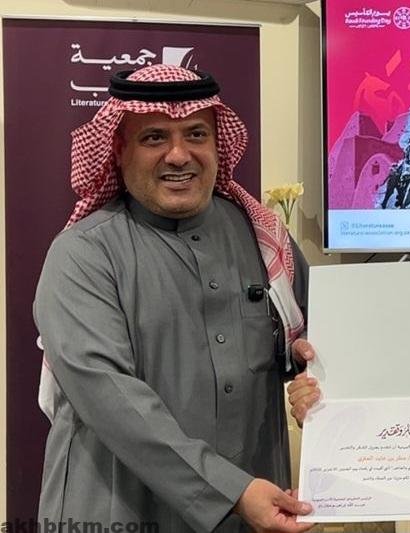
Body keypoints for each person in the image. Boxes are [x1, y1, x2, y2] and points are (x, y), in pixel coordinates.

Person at [34, 65, 318, 532]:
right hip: (116, 513)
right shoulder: (82, 255)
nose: (179, 155)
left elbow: (316, 348)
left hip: (252, 512)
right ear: (118, 149)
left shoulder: (263, 239)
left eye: (196, 134)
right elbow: (110, 398)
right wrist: (232, 493)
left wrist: (318, 392)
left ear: (218, 144)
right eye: (154, 138)